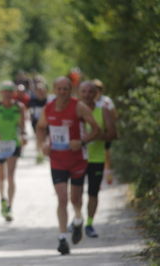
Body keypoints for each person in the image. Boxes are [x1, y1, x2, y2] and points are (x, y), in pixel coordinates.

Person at [36, 76, 100, 255]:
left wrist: (81, 141)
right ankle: (62, 237)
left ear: (70, 90)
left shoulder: (78, 106)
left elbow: (96, 129)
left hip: (77, 160)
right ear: (54, 90)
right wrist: (43, 144)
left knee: (75, 200)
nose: (62, 92)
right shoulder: (48, 109)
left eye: (66, 89)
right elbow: (41, 127)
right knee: (62, 198)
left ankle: (78, 220)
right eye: (59, 88)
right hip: (57, 159)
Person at [79, 81, 117, 238]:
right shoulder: (75, 110)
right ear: (79, 93)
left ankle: (89, 223)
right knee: (76, 192)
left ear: (96, 94)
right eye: (84, 92)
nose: (87, 95)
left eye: (91, 92)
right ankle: (76, 218)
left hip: (96, 158)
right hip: (78, 158)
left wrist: (94, 136)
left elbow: (113, 134)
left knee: (93, 193)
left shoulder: (104, 111)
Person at [0, 81, 27, 222]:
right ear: (1, 93)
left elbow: (22, 126)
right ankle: (2, 197)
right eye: (5, 92)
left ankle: (10, 206)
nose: (8, 94)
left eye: (10, 91)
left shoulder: (19, 107)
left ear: (14, 93)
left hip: (13, 144)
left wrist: (23, 135)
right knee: (1, 177)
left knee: (11, 176)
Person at [92, 79, 117, 184]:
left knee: (106, 154)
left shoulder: (106, 101)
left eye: (98, 89)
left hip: (105, 132)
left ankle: (108, 175)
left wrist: (109, 127)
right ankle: (96, 178)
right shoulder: (88, 101)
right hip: (93, 132)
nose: (96, 92)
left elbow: (114, 115)